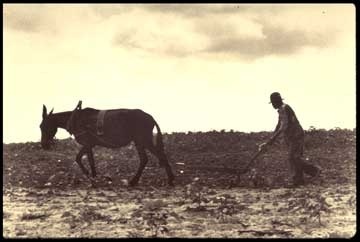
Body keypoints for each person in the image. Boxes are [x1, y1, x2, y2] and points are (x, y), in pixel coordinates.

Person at [259, 92, 320, 187]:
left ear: (276, 101)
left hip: (296, 136)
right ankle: (298, 181)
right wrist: (269, 141)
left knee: (293, 158)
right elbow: (279, 125)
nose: (273, 105)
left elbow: (283, 126)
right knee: (294, 158)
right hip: (291, 137)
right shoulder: (281, 110)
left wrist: (271, 140)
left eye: (273, 102)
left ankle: (314, 171)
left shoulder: (284, 108)